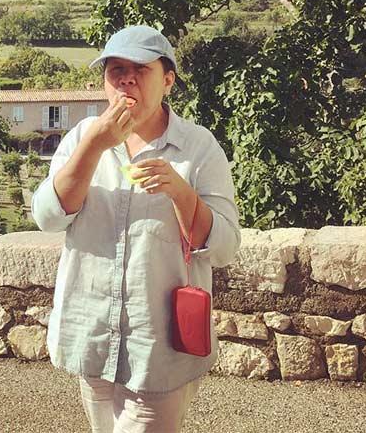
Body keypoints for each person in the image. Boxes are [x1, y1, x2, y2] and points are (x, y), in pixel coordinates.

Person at [31, 25, 241, 433]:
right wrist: (94, 145)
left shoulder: (199, 147)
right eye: (116, 69)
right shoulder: (81, 137)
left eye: (140, 69)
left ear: (167, 80)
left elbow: (225, 248)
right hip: (91, 333)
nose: (126, 78)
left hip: (158, 346)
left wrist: (181, 193)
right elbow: (48, 217)